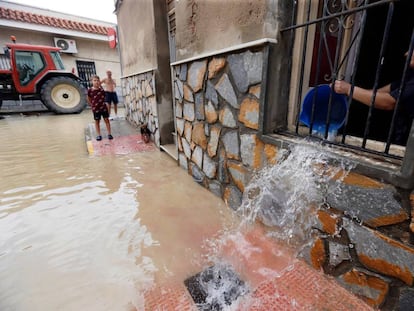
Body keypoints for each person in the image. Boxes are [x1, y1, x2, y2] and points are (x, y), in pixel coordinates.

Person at [334, 50, 414, 145]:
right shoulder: (409, 78)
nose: (407, 54)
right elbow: (377, 93)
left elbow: (389, 102)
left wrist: (348, 89)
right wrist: (348, 92)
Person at [87, 75, 113, 141]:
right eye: (94, 80)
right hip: (96, 109)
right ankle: (99, 135)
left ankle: (109, 134)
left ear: (99, 81)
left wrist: (107, 105)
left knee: (107, 120)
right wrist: (92, 105)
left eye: (97, 80)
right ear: (91, 82)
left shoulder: (101, 89)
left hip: (103, 108)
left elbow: (104, 97)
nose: (96, 82)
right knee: (97, 121)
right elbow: (89, 99)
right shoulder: (90, 90)